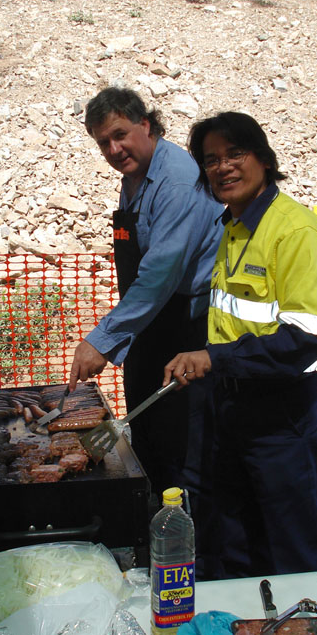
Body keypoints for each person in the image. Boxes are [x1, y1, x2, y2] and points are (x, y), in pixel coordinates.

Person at [163, 111, 317, 595]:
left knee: (295, 548)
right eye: (211, 160)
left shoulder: (296, 231)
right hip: (230, 408)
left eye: (235, 154)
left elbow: (304, 339)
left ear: (263, 159)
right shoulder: (234, 227)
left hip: (281, 415)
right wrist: (207, 358)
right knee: (234, 541)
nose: (222, 167)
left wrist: (215, 359)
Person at [69, 87, 223, 528]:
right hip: (151, 325)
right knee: (149, 436)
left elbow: (159, 273)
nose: (114, 149)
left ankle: (194, 544)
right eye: (103, 142)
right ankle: (156, 530)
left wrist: (103, 340)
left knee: (184, 446)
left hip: (185, 327)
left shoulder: (175, 179)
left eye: (120, 135)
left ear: (147, 126)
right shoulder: (135, 177)